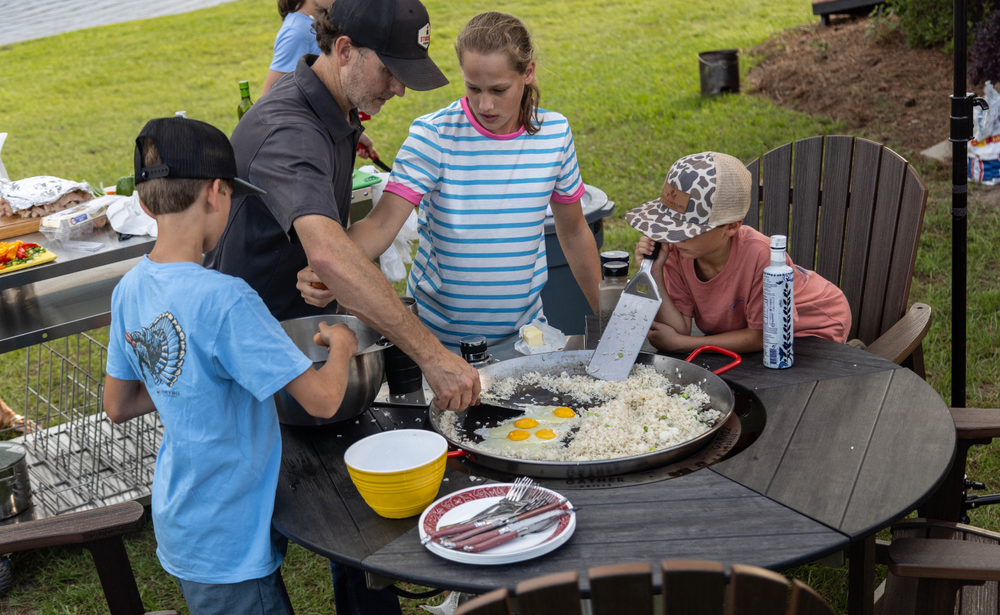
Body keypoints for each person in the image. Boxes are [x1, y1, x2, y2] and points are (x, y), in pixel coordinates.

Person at [204, 0, 478, 612]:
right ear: (345, 49)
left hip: (298, 331)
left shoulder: (335, 107)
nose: (401, 88)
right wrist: (431, 355)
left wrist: (327, 272)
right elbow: (329, 253)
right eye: (391, 72)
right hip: (251, 353)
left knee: (350, 495)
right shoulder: (291, 127)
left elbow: (321, 252)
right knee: (263, 534)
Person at [103, 117, 359, 615]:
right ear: (217, 193)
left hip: (183, 517)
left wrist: (191, 376)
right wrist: (344, 344)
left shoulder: (129, 289)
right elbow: (324, 399)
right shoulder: (227, 298)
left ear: (141, 201)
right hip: (230, 533)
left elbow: (118, 404)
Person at [305, 11, 602, 351]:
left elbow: (575, 231)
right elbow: (381, 224)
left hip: (526, 339)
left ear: (528, 73)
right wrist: (328, 265)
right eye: (473, 88)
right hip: (438, 343)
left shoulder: (554, 135)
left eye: (499, 89)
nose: (485, 104)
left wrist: (609, 319)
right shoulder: (433, 135)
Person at [628, 151, 852, 354]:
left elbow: (761, 338)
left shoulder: (760, 256)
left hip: (811, 328)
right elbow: (678, 328)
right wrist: (654, 272)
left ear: (732, 227)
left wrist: (683, 345)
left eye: (687, 230)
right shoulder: (680, 252)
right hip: (748, 333)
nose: (671, 237)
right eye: (668, 226)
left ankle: (851, 351)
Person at [261, 0, 378, 160]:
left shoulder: (314, 23)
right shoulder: (295, 32)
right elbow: (269, 101)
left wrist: (349, 131)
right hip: (305, 149)